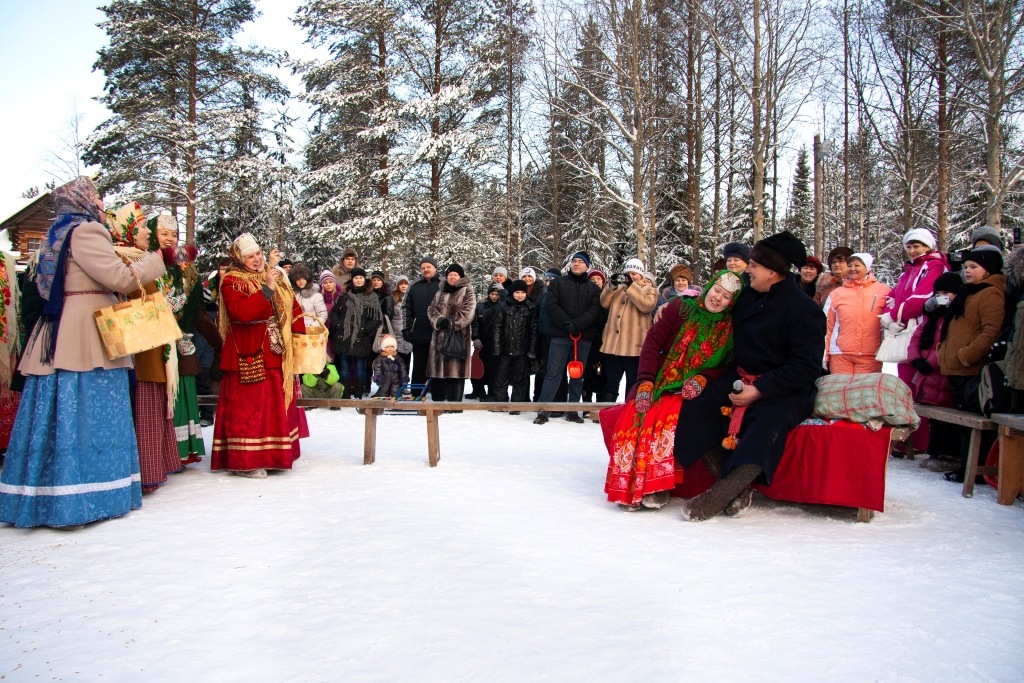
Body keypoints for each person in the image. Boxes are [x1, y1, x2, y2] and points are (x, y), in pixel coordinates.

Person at [0, 176, 166, 528]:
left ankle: (47, 496)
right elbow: (119, 278)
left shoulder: (55, 233)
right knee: (93, 415)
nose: (102, 206)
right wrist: (155, 260)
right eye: (98, 200)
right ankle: (85, 497)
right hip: (84, 334)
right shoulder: (86, 231)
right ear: (84, 201)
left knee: (57, 416)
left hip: (58, 332)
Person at [675, 231, 827, 521]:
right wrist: (675, 311)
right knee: (695, 403)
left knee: (766, 422)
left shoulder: (804, 310)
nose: (748, 269)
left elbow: (806, 366)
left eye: (754, 265)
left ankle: (722, 493)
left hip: (784, 387)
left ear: (772, 272)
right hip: (740, 376)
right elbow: (709, 305)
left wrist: (760, 390)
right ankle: (734, 486)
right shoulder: (746, 295)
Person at [604, 270, 744, 510]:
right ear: (709, 287)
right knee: (638, 414)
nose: (718, 298)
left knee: (672, 418)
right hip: (660, 380)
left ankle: (658, 486)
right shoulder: (680, 308)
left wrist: (703, 377)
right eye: (717, 291)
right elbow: (652, 343)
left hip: (695, 388)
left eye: (726, 297)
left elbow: (724, 367)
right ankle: (634, 485)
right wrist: (646, 380)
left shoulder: (729, 327)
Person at [211, 233, 306, 479]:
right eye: (251, 256)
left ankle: (274, 455)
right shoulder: (232, 280)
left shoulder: (271, 275)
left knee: (273, 404)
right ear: (240, 259)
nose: (257, 259)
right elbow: (241, 313)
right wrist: (267, 287)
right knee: (249, 408)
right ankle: (247, 460)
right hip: (248, 352)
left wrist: (299, 335)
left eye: (259, 254)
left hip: (274, 351)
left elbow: (292, 305)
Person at [937, 246, 1005, 482]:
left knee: (973, 422)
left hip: (972, 368)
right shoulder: (968, 292)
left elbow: (990, 332)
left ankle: (973, 470)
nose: (967, 271)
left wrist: (966, 355)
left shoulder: (991, 294)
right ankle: (965, 466)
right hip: (955, 366)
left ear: (989, 270)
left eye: (974, 267)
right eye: (965, 267)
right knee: (963, 422)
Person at [882, 228, 949, 453]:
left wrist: (893, 315)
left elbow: (920, 299)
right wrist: (888, 316)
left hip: (922, 331)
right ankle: (910, 437)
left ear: (928, 246)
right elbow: (891, 298)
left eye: (917, 245)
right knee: (904, 385)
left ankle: (922, 441)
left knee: (919, 385)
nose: (912, 250)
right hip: (904, 332)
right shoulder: (908, 270)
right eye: (909, 246)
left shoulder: (934, 266)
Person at [149, 212, 207, 468]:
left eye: (174, 235)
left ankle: (181, 451)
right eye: (164, 234)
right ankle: (159, 453)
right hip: (153, 341)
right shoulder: (147, 262)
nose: (170, 239)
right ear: (153, 235)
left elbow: (196, 309)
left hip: (180, 339)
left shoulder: (185, 268)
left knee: (181, 391)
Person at [535, 252, 602, 424]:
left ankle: (572, 410)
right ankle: (544, 409)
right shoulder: (558, 283)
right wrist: (567, 323)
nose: (576, 264)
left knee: (577, 374)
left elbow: (594, 311)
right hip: (560, 335)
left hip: (583, 337)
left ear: (587, 266)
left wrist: (578, 324)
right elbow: (552, 305)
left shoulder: (593, 289)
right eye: (574, 261)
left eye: (580, 262)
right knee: (553, 373)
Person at [907, 272, 962, 472]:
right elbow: (916, 338)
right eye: (938, 292)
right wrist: (916, 359)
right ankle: (935, 451)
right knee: (934, 418)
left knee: (947, 417)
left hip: (942, 373)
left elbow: (948, 344)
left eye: (947, 292)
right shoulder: (933, 317)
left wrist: (930, 363)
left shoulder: (956, 317)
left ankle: (949, 454)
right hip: (927, 373)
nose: (942, 296)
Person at [599, 257, 658, 401]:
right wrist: (611, 285)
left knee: (633, 381)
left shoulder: (650, 290)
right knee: (611, 380)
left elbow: (647, 306)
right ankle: (606, 409)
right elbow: (604, 303)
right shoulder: (618, 289)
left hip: (635, 346)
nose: (630, 277)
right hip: (614, 345)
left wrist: (632, 287)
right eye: (628, 274)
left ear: (641, 275)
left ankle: (630, 412)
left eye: (634, 274)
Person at [823, 252, 890, 374]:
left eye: (857, 265)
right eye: (850, 265)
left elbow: (891, 318)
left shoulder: (883, 291)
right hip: (840, 354)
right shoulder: (836, 294)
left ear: (867, 268)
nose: (852, 269)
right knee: (840, 391)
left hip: (870, 354)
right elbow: (827, 324)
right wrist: (824, 353)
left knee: (865, 392)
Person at [329, 267, 382, 398]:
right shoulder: (344, 295)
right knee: (344, 366)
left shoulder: (371, 296)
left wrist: (365, 330)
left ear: (364, 279)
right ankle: (346, 394)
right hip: (344, 336)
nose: (358, 280)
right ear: (352, 279)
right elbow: (335, 311)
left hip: (361, 337)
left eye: (360, 278)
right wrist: (338, 324)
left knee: (360, 367)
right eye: (356, 278)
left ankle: (359, 394)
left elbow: (377, 319)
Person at [426, 264, 476, 404]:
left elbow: (468, 312)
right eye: (450, 275)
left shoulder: (467, 291)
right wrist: (438, 320)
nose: (452, 277)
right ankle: (439, 400)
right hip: (439, 338)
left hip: (458, 337)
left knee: (455, 370)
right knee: (439, 369)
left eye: (455, 275)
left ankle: (454, 402)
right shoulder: (440, 292)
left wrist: (450, 323)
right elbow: (431, 309)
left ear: (460, 277)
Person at [491, 279, 538, 408]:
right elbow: (497, 328)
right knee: (501, 378)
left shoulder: (530, 307)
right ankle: (501, 403)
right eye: (517, 292)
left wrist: (531, 350)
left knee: (520, 380)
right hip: (504, 350)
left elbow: (534, 331)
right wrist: (496, 348)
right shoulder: (503, 306)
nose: (520, 295)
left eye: (522, 292)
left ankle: (517, 405)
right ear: (512, 293)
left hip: (522, 351)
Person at [402, 257, 441, 398]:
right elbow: (406, 308)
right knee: (419, 366)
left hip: (439, 333)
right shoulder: (414, 284)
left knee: (437, 366)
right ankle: (416, 394)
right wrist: (406, 328)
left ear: (435, 268)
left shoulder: (443, 283)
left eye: (428, 267)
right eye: (423, 267)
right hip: (419, 331)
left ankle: (439, 395)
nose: (426, 270)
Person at [468, 283, 502, 400]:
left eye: (497, 294)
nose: (494, 297)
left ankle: (492, 393)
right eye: (492, 294)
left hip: (496, 342)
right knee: (477, 367)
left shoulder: (502, 306)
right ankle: (478, 390)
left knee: (493, 369)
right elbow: (475, 323)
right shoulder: (481, 306)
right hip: (482, 342)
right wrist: (476, 337)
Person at [583, 268, 608, 402]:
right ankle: (586, 405)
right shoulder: (585, 296)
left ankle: (601, 403)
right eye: (592, 279)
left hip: (606, 341)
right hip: (589, 340)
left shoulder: (608, 297)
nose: (595, 281)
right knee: (588, 374)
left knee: (603, 374)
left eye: (598, 279)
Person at [390, 274, 413, 370]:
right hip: (395, 334)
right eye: (401, 284)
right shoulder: (392, 298)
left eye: (405, 284)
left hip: (408, 332)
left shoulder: (411, 297)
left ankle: (405, 383)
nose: (403, 286)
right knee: (395, 365)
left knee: (406, 365)